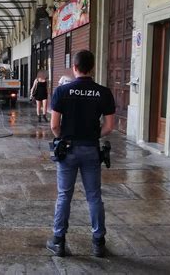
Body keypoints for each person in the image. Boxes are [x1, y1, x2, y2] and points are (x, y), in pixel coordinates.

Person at [47, 50, 115, 258]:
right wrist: (94, 135)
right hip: (91, 149)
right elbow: (110, 126)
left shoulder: (62, 91)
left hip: (67, 149)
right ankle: (98, 243)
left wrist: (63, 138)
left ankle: (58, 241)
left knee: (64, 195)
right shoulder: (103, 92)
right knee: (94, 196)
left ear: (74, 67)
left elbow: (54, 125)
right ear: (92, 67)